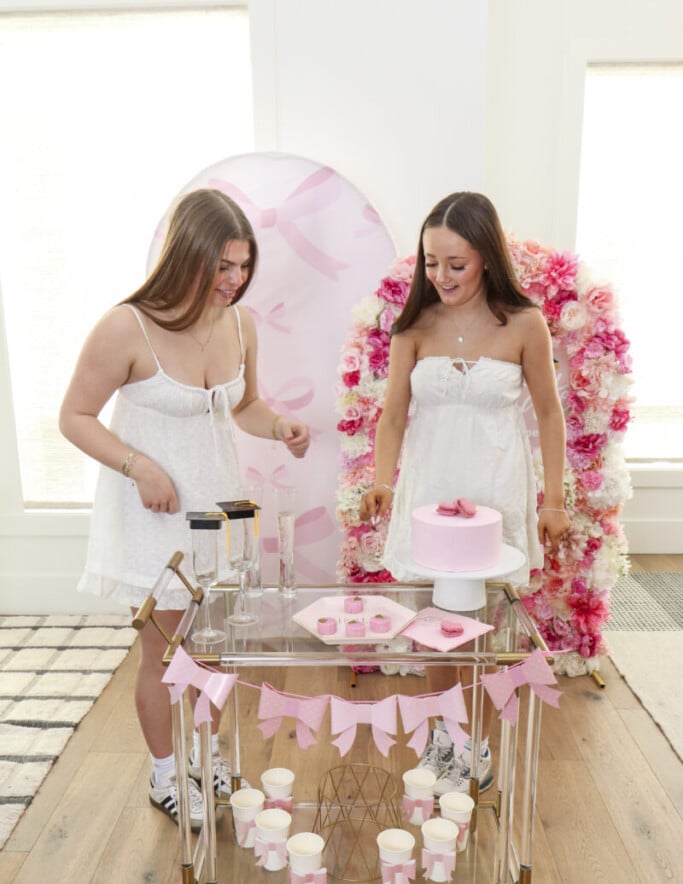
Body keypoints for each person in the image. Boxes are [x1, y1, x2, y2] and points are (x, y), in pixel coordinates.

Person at [60, 189, 310, 829]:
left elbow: (241, 406)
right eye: (222, 266)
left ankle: (208, 757)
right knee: (167, 654)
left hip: (218, 510)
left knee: (217, 650)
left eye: (243, 266)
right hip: (155, 515)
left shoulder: (239, 323)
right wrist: (137, 465)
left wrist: (278, 424)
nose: (235, 281)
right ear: (187, 256)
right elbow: (74, 417)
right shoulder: (128, 325)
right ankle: (167, 773)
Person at [360, 191, 569, 794]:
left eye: (456, 263)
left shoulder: (525, 324)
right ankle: (440, 741)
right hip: (429, 487)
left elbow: (550, 416)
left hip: (493, 491)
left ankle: (473, 741)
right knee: (433, 624)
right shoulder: (413, 328)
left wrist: (552, 501)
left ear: (486, 258)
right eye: (431, 262)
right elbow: (394, 416)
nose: (441, 276)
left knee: (477, 625)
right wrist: (380, 481)